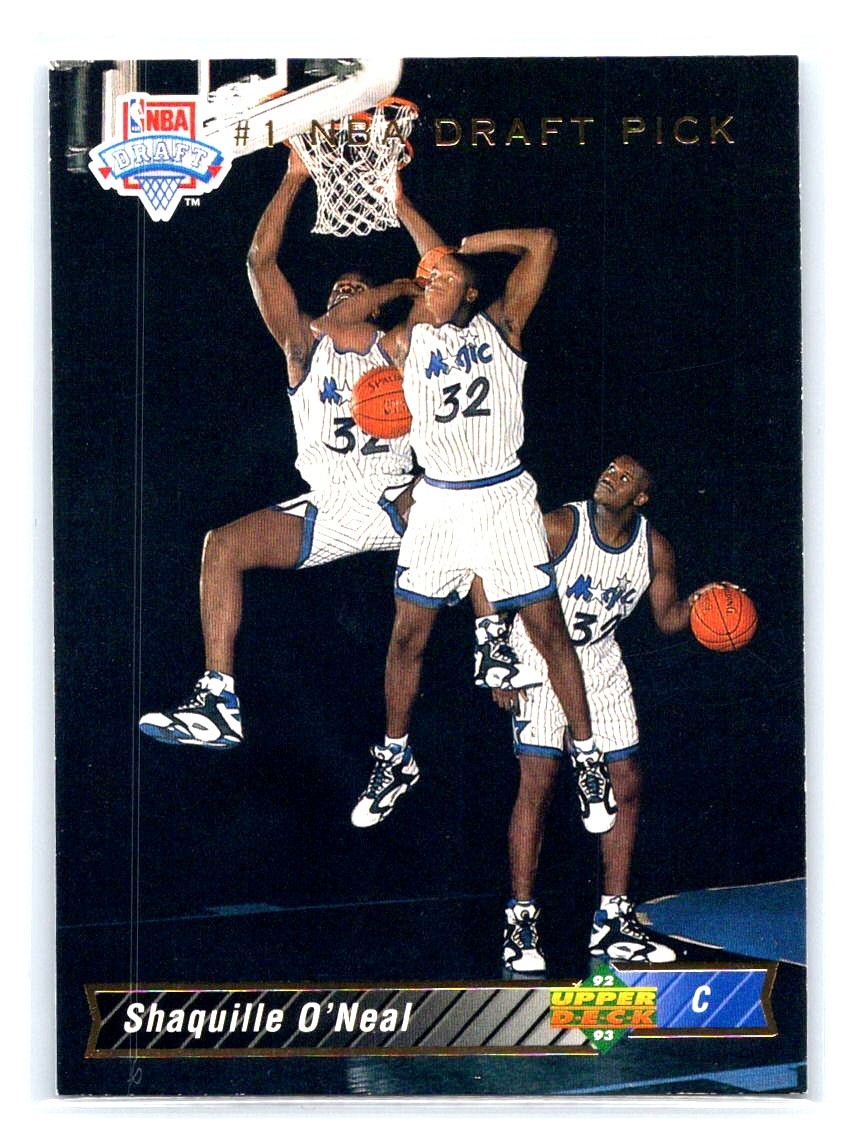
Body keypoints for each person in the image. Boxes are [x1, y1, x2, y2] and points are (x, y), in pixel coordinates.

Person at [139, 151, 443, 749]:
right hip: (328, 506)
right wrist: (294, 177)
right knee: (222, 546)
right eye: (339, 288)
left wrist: (400, 202)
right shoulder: (303, 346)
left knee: (478, 499)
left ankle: (501, 641)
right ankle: (218, 701)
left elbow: (443, 277)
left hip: (396, 495)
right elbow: (260, 259)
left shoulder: (401, 348)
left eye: (357, 288)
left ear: (378, 307)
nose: (346, 291)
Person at [322, 228, 613, 833]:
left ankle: (588, 757)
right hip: (438, 501)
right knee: (406, 637)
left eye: (446, 281)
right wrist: (405, 282)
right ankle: (395, 758)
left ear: (472, 294)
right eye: (430, 280)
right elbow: (334, 324)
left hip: (503, 495)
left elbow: (543, 243)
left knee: (548, 631)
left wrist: (469, 245)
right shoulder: (406, 339)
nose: (434, 286)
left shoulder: (502, 326)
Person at [492, 455, 729, 973]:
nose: (609, 476)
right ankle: (521, 920)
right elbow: (493, 572)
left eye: (623, 477)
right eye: (609, 469)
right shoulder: (560, 525)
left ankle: (613, 918)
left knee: (627, 780)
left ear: (640, 497)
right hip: (539, 656)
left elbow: (667, 619)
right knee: (538, 783)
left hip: (599, 661)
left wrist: (702, 603)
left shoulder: (653, 547)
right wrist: (498, 658)